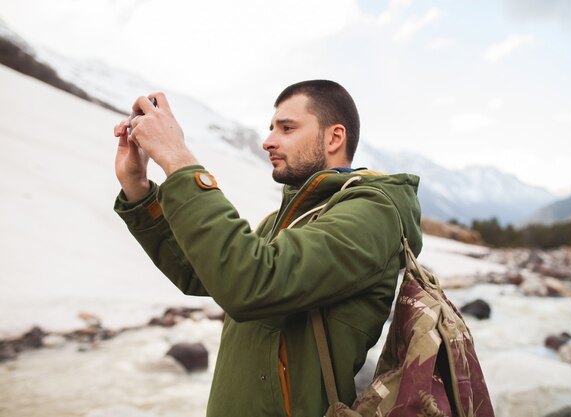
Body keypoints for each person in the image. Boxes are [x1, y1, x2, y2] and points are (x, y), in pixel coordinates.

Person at [113, 80, 423, 417]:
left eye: (286, 128)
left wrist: (178, 159)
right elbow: (201, 271)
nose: (268, 141)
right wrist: (139, 190)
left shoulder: (372, 213)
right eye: (271, 128)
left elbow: (252, 282)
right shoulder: (289, 218)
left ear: (335, 137)